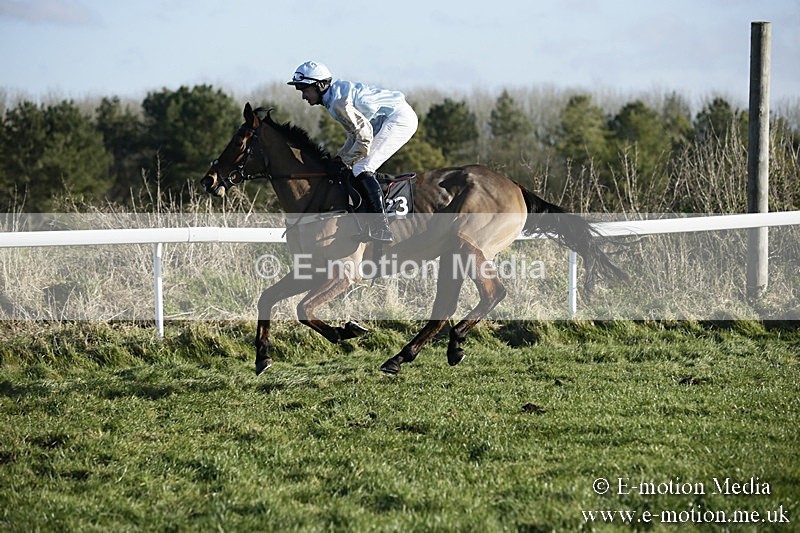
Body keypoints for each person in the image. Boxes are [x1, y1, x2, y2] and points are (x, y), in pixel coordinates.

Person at [288, 61, 418, 243]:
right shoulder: (334, 98)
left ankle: (382, 228)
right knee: (355, 166)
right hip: (387, 121)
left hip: (399, 120)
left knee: (362, 167)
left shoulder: (339, 103)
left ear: (320, 85)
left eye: (305, 89)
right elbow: (354, 134)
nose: (303, 96)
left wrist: (345, 161)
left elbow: (364, 139)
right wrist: (340, 158)